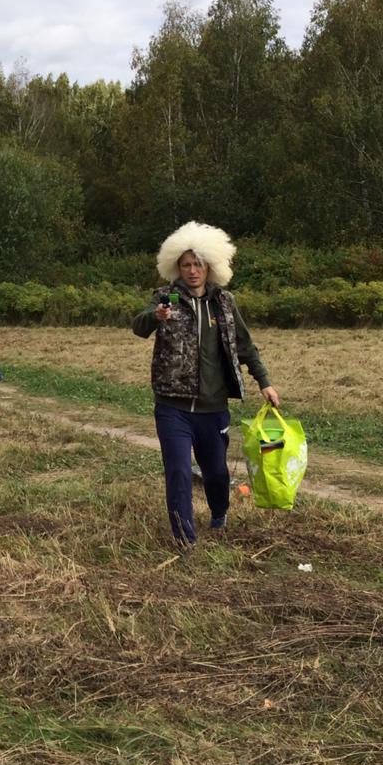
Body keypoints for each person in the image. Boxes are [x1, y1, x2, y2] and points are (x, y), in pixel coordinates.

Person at [132, 222, 280, 547]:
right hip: (172, 405)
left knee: (216, 473)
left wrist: (265, 382)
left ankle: (219, 511)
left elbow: (246, 345)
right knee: (179, 472)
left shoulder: (224, 303)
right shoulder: (165, 298)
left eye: (197, 264)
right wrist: (155, 316)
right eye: (185, 264)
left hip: (214, 409)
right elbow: (138, 326)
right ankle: (184, 537)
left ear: (210, 266)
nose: (192, 270)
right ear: (176, 267)